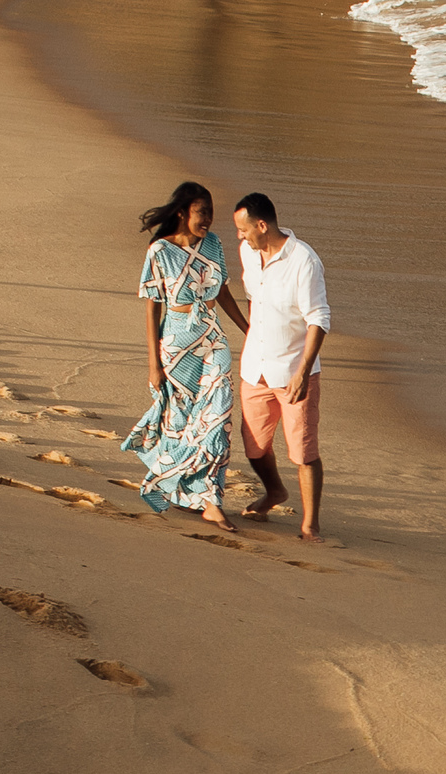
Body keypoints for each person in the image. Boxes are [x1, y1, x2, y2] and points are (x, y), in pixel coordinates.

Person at [121, 181, 249, 531]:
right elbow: (153, 309)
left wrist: (247, 329)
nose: (208, 219)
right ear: (182, 212)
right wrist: (154, 365)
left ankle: (211, 501)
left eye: (210, 212)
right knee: (181, 422)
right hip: (177, 345)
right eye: (201, 212)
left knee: (217, 418)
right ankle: (179, 487)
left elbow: (221, 289)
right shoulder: (159, 251)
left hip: (212, 338)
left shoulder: (214, 244)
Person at [233, 192, 331, 544]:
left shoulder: (304, 261)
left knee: (303, 451)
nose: (240, 238)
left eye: (244, 230)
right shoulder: (249, 252)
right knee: (255, 447)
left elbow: (319, 317)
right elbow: (251, 296)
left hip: (293, 370)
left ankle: (310, 524)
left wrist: (304, 371)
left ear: (263, 225)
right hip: (254, 366)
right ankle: (274, 493)